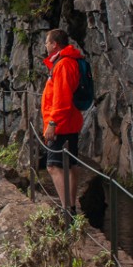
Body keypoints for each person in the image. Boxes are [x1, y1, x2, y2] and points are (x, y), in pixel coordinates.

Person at [42, 28, 85, 217]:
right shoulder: (66, 62)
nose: (45, 45)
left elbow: (62, 98)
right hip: (68, 122)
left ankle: (67, 209)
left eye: (47, 42)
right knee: (70, 164)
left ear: (55, 44)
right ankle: (70, 207)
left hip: (62, 124)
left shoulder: (64, 64)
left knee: (54, 166)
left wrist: (53, 123)